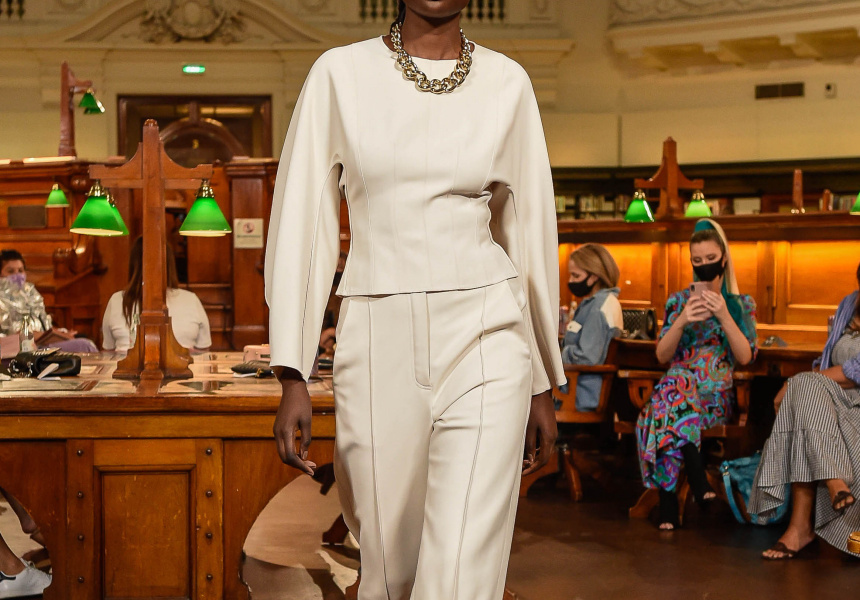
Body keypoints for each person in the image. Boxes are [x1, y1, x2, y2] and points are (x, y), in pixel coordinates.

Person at [264, 1, 565, 598]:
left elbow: (527, 231)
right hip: (378, 336)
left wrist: (540, 379)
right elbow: (305, 224)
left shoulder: (508, 82)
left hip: (488, 332)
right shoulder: (339, 74)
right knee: (389, 568)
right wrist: (292, 371)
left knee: (461, 564)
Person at [636, 219, 757, 530]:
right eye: (697, 260)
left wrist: (724, 315)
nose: (704, 266)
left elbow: (745, 357)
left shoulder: (741, 304)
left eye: (711, 258)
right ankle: (697, 476)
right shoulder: (678, 302)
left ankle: (668, 504)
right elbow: (662, 356)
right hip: (677, 394)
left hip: (713, 400)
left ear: (724, 259)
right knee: (677, 382)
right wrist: (682, 321)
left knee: (667, 401)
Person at [751, 264, 860, 559]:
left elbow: (856, 371)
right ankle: (826, 492)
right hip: (833, 402)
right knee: (806, 399)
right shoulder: (848, 304)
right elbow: (825, 361)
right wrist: (802, 384)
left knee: (803, 395)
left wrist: (797, 383)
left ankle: (801, 525)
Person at [102, 237, 211, 354]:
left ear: (134, 264)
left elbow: (109, 352)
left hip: (125, 364)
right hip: (181, 365)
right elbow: (203, 351)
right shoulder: (190, 300)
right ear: (169, 264)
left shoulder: (116, 300)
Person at [561, 243, 623, 410]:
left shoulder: (599, 307)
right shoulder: (593, 303)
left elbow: (587, 356)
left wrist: (558, 355)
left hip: (579, 395)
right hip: (576, 389)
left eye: (576, 276)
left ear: (594, 276)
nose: (570, 281)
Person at [0, 250, 97, 353]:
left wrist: (62, 333)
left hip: (42, 344)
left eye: (20, 270)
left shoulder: (30, 293)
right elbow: (11, 335)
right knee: (84, 346)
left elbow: (45, 326)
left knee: (83, 342)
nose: (17, 275)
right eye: (11, 271)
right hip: (18, 350)